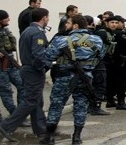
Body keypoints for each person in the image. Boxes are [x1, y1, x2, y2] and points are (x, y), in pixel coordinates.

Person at [42, 14, 104, 145]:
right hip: (85, 77)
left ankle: (50, 137)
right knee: (81, 105)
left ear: (75, 26)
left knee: (56, 105)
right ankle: (77, 137)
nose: (66, 25)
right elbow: (101, 55)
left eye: (68, 23)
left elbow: (48, 56)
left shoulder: (61, 40)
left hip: (64, 76)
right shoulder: (97, 40)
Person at [0, 8, 53, 143]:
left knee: (37, 100)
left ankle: (40, 129)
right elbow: (38, 55)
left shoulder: (27, 30)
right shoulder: (37, 33)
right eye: (48, 17)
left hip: (27, 69)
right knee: (31, 101)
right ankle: (6, 126)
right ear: (44, 18)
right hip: (33, 70)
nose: (48, 19)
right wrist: (48, 65)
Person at [0, 9, 25, 118]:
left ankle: (20, 113)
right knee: (6, 91)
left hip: (11, 63)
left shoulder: (6, 30)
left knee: (23, 86)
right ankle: (14, 115)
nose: (8, 19)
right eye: (6, 17)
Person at [108, 16, 126, 110]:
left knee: (112, 81)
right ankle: (121, 102)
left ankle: (110, 100)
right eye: (122, 22)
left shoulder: (111, 33)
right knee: (123, 81)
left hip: (113, 60)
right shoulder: (120, 33)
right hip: (121, 60)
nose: (123, 24)